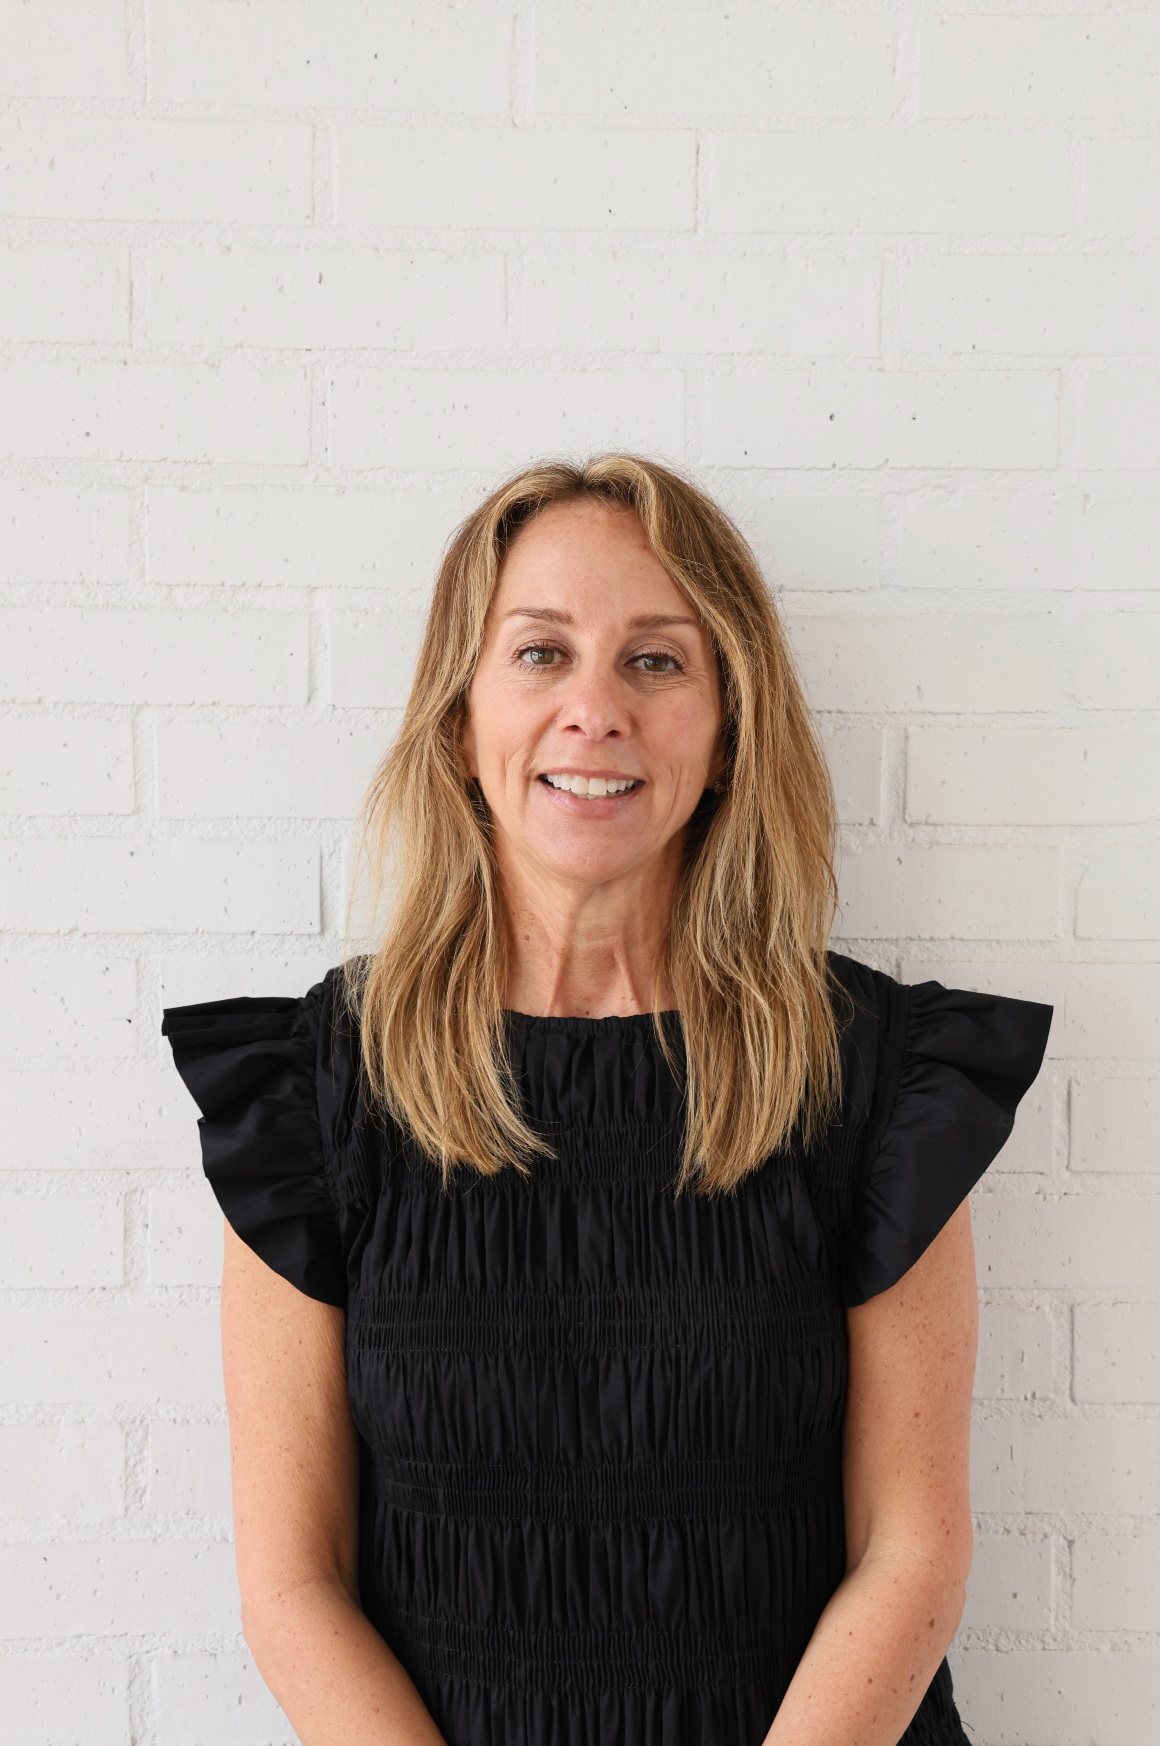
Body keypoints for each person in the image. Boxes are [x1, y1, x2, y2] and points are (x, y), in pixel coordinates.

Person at [163, 454, 1053, 1746]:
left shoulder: (874, 1076)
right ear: (460, 720)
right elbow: (294, 1585)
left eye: (656, 660)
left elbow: (909, 1554)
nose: (595, 709)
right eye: (540, 654)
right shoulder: (313, 1094)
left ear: (729, 727)